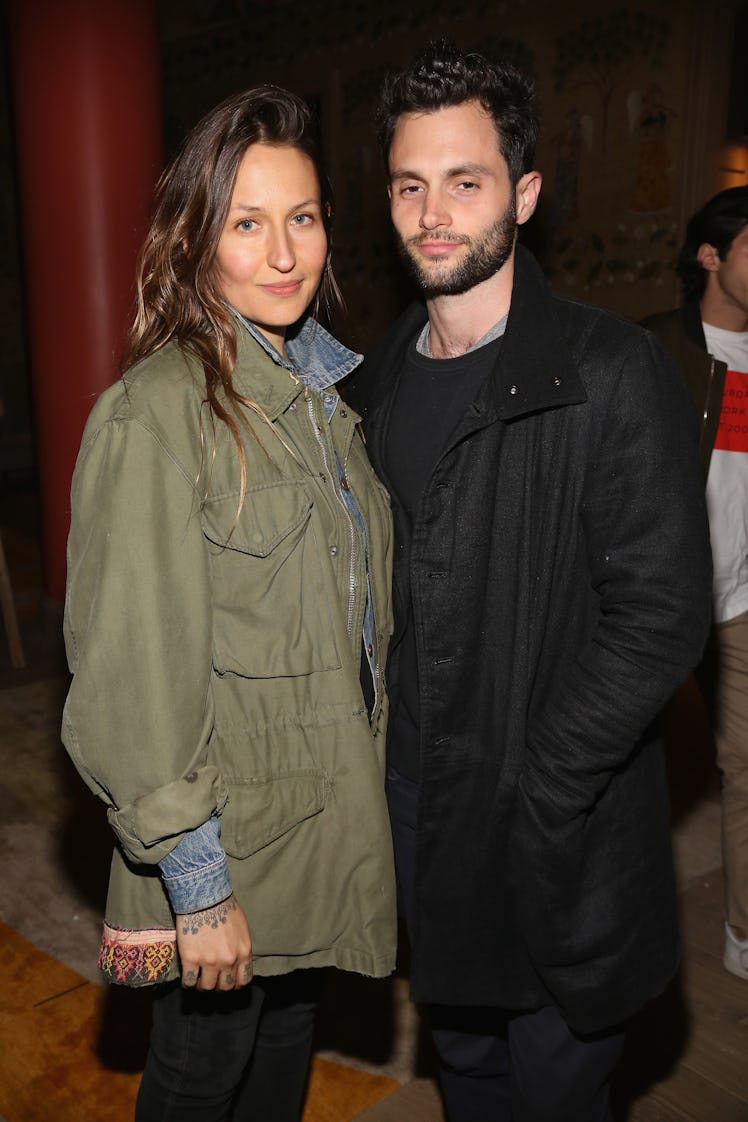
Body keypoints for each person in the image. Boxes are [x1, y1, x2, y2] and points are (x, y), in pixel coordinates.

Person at [343, 40, 712, 1122]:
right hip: (418, 808)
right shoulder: (368, 385)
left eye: (465, 180)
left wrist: (544, 783)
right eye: (410, 185)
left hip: (556, 820)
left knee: (557, 1085)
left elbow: (661, 617)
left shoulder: (607, 373)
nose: (432, 212)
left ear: (526, 192)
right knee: (465, 1066)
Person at [61, 85, 396, 1121]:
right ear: (194, 238)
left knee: (285, 1049)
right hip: (228, 846)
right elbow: (127, 679)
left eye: (301, 217)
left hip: (313, 818)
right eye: (246, 223)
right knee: (200, 1079)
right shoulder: (157, 416)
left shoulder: (320, 404)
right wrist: (197, 885)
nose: (283, 251)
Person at [643, 185, 748, 982]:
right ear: (711, 256)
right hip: (655, 602)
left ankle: (744, 935)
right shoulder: (651, 353)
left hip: (743, 604)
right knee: (629, 775)